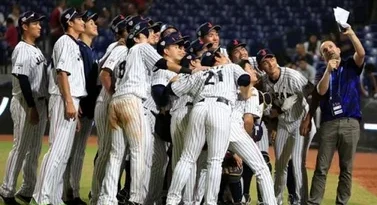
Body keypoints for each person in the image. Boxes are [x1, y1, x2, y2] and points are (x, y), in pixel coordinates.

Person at [165, 50, 252, 205]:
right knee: (215, 161)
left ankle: (172, 199)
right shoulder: (230, 67)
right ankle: (210, 202)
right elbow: (245, 79)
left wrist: (193, 72)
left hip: (199, 108)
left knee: (186, 158)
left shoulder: (200, 73)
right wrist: (229, 64)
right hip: (220, 107)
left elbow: (172, 89)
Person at [301, 25, 365, 205]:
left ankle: (341, 202)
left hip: (350, 121)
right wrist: (328, 71)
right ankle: (314, 202)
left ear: (337, 49)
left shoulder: (351, 65)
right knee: (321, 168)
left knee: (347, 168)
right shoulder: (322, 74)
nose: (328, 50)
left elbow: (360, 54)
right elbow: (320, 92)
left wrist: (351, 33)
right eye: (324, 50)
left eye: (330, 47)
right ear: (322, 57)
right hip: (329, 123)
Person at [31, 8, 87, 205]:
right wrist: (69, 101)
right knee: (56, 150)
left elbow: (71, 77)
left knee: (63, 153)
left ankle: (54, 197)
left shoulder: (73, 44)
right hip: (63, 99)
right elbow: (62, 73)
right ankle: (42, 197)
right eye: (79, 18)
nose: (83, 21)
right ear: (70, 22)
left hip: (70, 99)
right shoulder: (64, 41)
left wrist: (74, 103)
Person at [0, 11, 47, 205]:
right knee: (20, 147)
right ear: (25, 26)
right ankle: (7, 190)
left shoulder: (36, 49)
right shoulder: (21, 48)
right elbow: (23, 78)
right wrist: (31, 107)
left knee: (34, 149)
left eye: (39, 23)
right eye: (35, 23)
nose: (39, 26)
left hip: (39, 102)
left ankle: (27, 190)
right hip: (25, 103)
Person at [257, 48, 315, 205]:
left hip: (301, 121)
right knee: (280, 165)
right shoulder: (264, 82)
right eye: (264, 61)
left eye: (271, 57)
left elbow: (312, 93)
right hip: (283, 123)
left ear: (276, 59)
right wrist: (273, 126)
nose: (269, 61)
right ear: (261, 67)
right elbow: (271, 109)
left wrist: (307, 119)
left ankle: (300, 201)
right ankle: (275, 200)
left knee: (297, 164)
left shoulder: (292, 75)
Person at [62, 11, 99, 205]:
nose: (95, 24)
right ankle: (72, 193)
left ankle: (68, 191)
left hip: (86, 106)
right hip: (81, 107)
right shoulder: (80, 49)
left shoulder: (89, 50)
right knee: (74, 151)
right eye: (90, 21)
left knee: (76, 150)